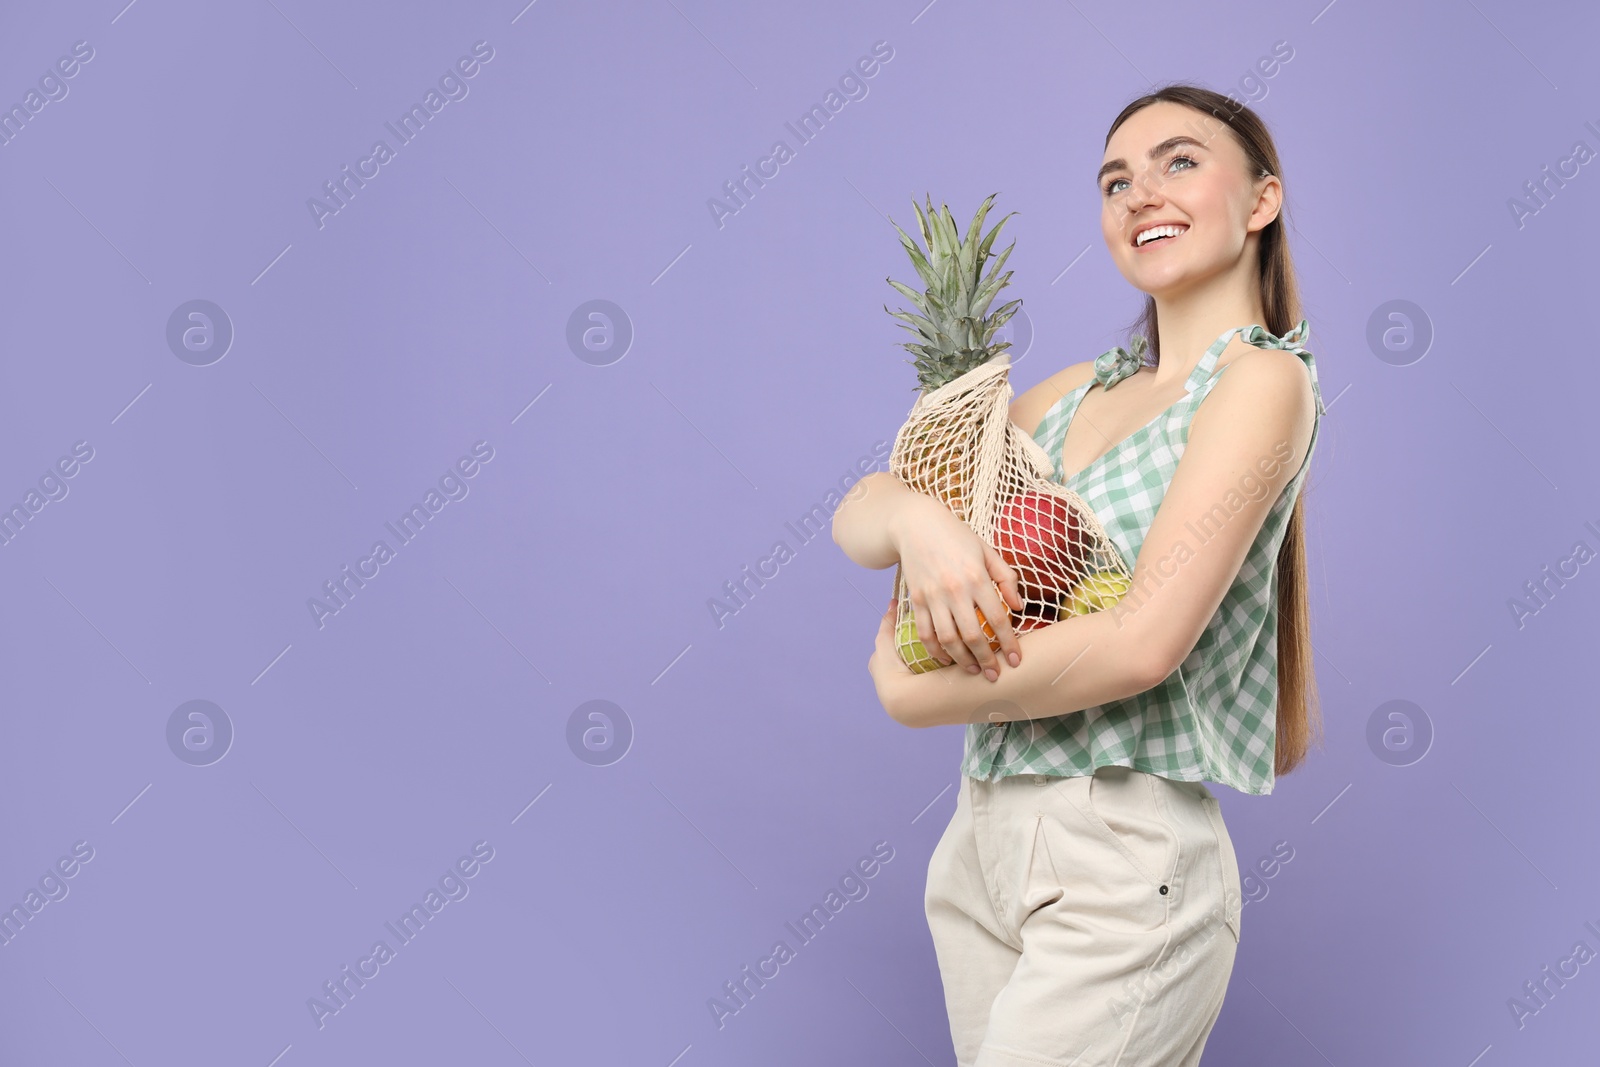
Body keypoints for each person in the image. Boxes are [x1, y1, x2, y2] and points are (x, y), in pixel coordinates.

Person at [831, 83, 1327, 1066]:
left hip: (1117, 844)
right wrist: (917, 520)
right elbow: (864, 510)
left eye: (1178, 161)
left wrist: (907, 688)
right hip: (980, 842)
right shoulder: (1064, 397)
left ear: (1261, 198)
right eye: (1114, 181)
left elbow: (1141, 642)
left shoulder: (1260, 381)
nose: (1139, 192)